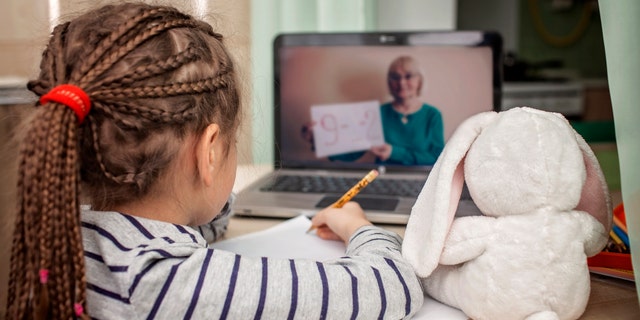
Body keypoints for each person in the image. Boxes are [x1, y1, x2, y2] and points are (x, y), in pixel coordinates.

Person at [6, 3, 423, 319]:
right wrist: (358, 226)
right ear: (208, 152)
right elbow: (394, 285)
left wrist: (200, 195)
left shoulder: (61, 233)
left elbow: (207, 223)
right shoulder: (177, 284)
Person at [306, 55, 445, 166]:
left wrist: (394, 152)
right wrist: (319, 140)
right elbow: (354, 152)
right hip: (382, 178)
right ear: (389, 82)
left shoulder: (432, 115)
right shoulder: (376, 114)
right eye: (395, 77)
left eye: (408, 76)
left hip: (423, 180)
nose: (401, 82)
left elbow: (437, 158)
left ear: (420, 81)